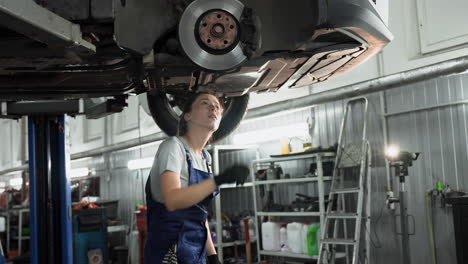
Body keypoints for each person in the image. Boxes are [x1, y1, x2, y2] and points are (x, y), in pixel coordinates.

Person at [144, 92, 249, 264]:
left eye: (217, 106)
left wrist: (212, 255)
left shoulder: (205, 158)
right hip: (169, 253)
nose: (213, 107)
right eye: (204, 103)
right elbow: (173, 200)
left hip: (195, 253)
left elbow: (198, 215)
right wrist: (219, 179)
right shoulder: (173, 147)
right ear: (188, 115)